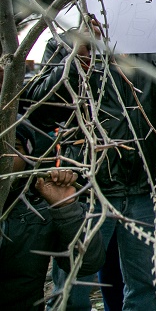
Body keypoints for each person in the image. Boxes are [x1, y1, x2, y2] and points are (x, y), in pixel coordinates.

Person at [25, 0, 156, 310]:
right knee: (73, 282)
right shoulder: (69, 43)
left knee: (146, 285)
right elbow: (40, 106)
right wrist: (79, 60)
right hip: (87, 187)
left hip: (145, 188)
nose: (147, 0)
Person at [0, 128, 105, 311]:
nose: (3, 156)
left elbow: (87, 263)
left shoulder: (39, 207)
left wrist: (66, 209)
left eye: (14, 148)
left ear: (28, 158)